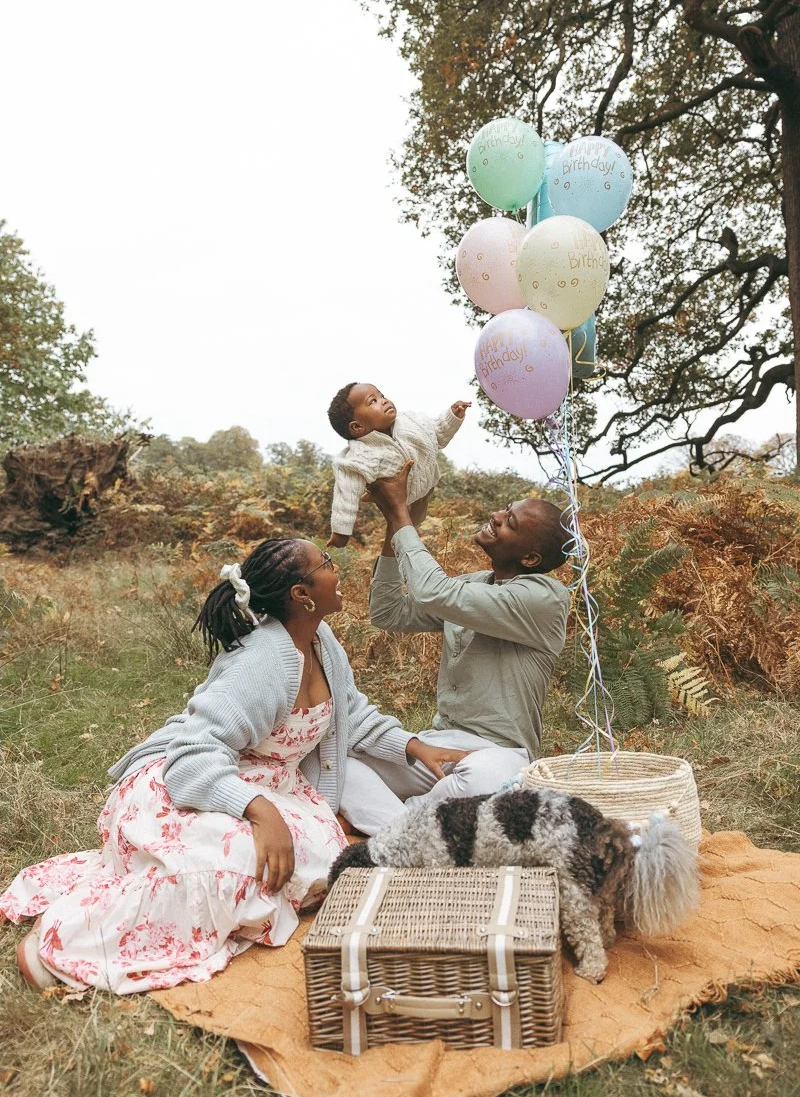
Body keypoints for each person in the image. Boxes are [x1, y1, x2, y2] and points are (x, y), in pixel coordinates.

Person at [0, 537, 468, 995]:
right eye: (326, 562)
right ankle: (71, 936)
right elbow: (190, 756)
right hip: (181, 783)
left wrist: (412, 746)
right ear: (301, 595)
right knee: (247, 871)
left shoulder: (320, 639)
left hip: (265, 784)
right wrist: (260, 813)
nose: (336, 567)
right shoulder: (261, 663)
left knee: (318, 870)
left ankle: (155, 886)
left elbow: (350, 712)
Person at [339, 462, 571, 833]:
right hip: (439, 746)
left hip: (499, 754)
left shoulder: (544, 599)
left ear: (530, 559)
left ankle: (398, 826)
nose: (496, 516)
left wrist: (402, 514)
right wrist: (393, 527)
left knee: (483, 783)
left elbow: (433, 591)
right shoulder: (475, 584)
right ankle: (413, 827)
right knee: (336, 759)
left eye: (510, 522)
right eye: (505, 509)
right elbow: (389, 612)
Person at [326, 381, 470, 548]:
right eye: (373, 401)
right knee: (400, 537)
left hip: (426, 487)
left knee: (411, 529)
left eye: (382, 396)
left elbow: (437, 433)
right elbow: (346, 494)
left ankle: (395, 560)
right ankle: (390, 567)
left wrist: (452, 416)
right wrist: (340, 532)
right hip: (397, 500)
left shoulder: (411, 422)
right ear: (357, 426)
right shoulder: (360, 455)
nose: (384, 400)